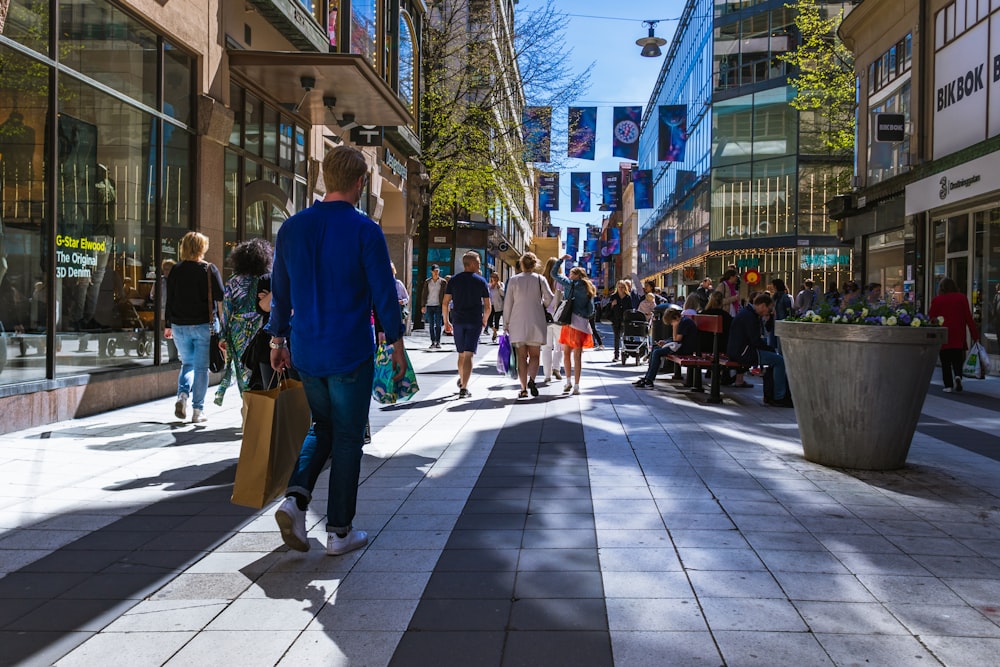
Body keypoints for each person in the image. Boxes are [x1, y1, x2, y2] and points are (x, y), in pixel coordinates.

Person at [268, 145, 406, 557]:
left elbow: (280, 293)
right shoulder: (366, 230)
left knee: (322, 426)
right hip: (350, 348)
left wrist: (278, 340)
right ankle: (339, 531)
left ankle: (295, 499)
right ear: (361, 184)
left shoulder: (292, 228)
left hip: (307, 347)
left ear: (325, 177)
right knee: (347, 436)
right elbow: (384, 293)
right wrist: (396, 344)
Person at [164, 231, 225, 424]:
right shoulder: (208, 269)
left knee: (187, 364)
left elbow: (170, 300)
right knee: (201, 369)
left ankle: (182, 396)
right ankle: (197, 411)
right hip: (203, 326)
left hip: (179, 325)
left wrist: (168, 325)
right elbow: (221, 295)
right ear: (202, 248)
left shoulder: (175, 270)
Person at [214, 238, 273, 406]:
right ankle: (255, 407)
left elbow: (226, 310)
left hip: (237, 330)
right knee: (256, 370)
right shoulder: (266, 279)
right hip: (259, 328)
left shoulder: (233, 281)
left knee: (242, 370)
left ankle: (247, 407)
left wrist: (223, 335)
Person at [502, 252, 553, 398]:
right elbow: (549, 299)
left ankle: (523, 389)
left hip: (517, 322)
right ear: (534, 265)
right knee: (535, 356)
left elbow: (508, 304)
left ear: (521, 264)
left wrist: (506, 323)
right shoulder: (540, 279)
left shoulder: (513, 280)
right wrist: (541, 304)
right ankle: (532, 380)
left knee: (522, 357)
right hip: (536, 321)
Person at [728, 293, 791, 407]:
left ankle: (771, 395)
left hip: (739, 350)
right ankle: (779, 396)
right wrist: (770, 349)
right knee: (779, 361)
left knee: (775, 359)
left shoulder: (747, 313)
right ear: (762, 305)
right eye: (769, 308)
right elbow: (755, 341)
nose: (769, 312)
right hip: (745, 352)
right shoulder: (750, 317)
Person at [442, 250, 491, 398]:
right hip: (474, 320)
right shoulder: (481, 281)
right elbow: (488, 305)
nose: (479, 264)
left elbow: (445, 303)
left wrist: (446, 321)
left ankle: (462, 380)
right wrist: (485, 320)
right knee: (469, 354)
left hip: (458, 320)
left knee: (461, 354)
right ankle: (464, 387)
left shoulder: (454, 280)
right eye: (477, 262)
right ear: (471, 264)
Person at [551, 255, 596, 395]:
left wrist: (561, 260)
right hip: (582, 324)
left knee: (566, 354)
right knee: (578, 356)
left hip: (569, 322)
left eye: (571, 273)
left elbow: (553, 274)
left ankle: (568, 382)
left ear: (576, 275)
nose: (569, 275)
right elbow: (591, 310)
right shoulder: (589, 288)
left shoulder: (570, 284)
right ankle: (577, 386)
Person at [929, 277, 980, 393]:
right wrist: (975, 335)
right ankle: (958, 376)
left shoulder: (937, 300)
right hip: (958, 333)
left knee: (945, 362)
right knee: (957, 358)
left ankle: (948, 385)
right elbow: (968, 318)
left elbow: (931, 317)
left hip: (944, 334)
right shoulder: (961, 298)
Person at [634, 307, 697, 388]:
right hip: (680, 346)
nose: (671, 324)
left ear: (676, 318)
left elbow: (677, 339)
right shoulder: (683, 321)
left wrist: (675, 327)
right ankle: (648, 377)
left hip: (685, 348)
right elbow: (676, 340)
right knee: (655, 348)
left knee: (657, 352)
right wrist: (665, 342)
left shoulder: (683, 323)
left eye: (671, 322)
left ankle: (649, 380)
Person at [541, 257, 564, 382]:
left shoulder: (542, 280)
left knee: (546, 347)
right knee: (559, 346)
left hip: (545, 317)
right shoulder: (561, 280)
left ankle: (547, 375)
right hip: (559, 318)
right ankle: (556, 367)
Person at [421, 264, 447, 349]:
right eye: (435, 271)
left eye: (437, 271)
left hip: (438, 305)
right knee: (431, 324)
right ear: (431, 272)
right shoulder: (427, 282)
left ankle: (438, 342)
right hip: (429, 305)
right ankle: (433, 342)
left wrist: (446, 305)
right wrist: (423, 305)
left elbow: (446, 294)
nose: (436, 273)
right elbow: (424, 294)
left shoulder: (442, 282)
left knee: (438, 324)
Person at [607, 280, 632, 362]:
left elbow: (630, 309)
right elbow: (608, 309)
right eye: (619, 287)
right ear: (617, 288)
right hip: (616, 319)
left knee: (625, 337)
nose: (621, 289)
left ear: (625, 288)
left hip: (625, 320)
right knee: (616, 337)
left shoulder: (628, 297)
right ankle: (616, 355)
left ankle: (625, 353)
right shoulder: (613, 296)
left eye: (622, 287)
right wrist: (612, 305)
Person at [487, 272, 505, 343]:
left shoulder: (501, 284)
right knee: (490, 322)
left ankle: (495, 333)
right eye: (492, 277)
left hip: (498, 306)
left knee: (496, 321)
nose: (494, 278)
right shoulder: (489, 285)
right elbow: (486, 295)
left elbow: (503, 294)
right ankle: (495, 331)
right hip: (491, 305)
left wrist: (499, 288)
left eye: (495, 277)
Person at [392, 263, 410, 329]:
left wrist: (402, 301)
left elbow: (407, 298)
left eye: (392, 272)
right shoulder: (383, 285)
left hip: (398, 308)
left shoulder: (398, 283)